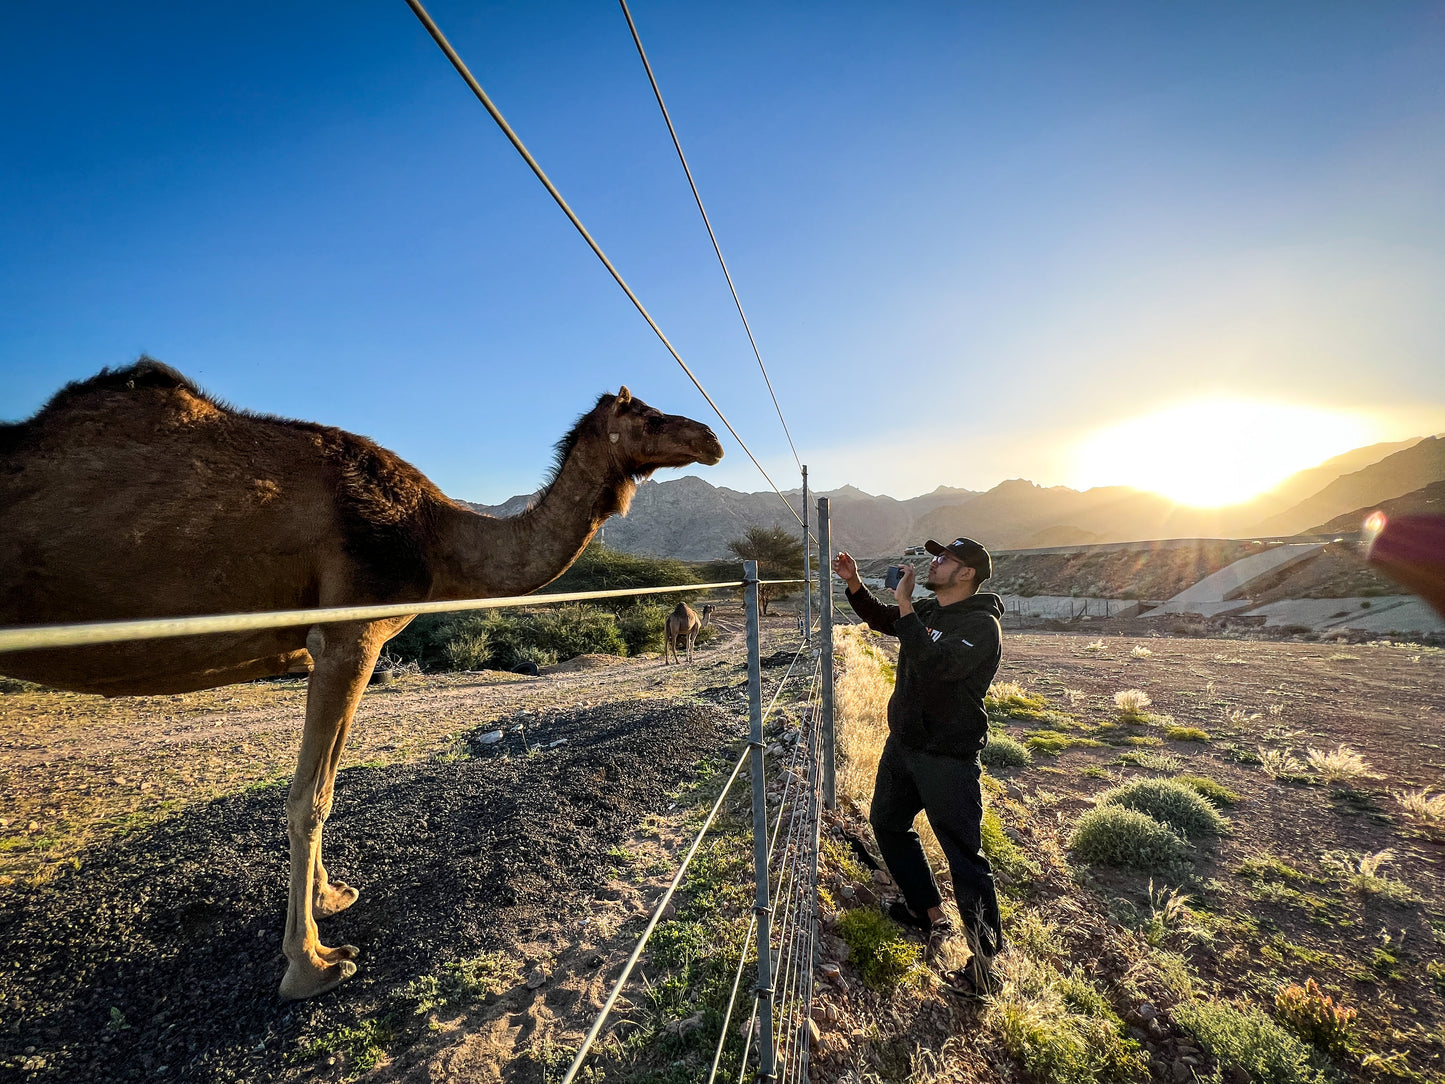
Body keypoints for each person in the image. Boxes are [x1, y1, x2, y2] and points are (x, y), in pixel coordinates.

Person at [832, 537, 1006, 997]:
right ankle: (926, 912)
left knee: (964, 856)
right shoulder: (928, 612)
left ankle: (986, 966)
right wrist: (854, 585)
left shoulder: (980, 625)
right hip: (904, 746)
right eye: (936, 555)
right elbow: (883, 620)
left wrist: (907, 605)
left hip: (947, 756)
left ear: (966, 573)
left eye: (944, 558)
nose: (934, 562)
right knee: (887, 823)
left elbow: (935, 667)